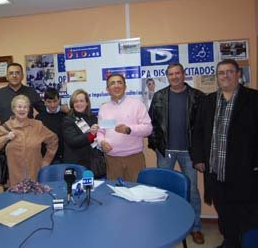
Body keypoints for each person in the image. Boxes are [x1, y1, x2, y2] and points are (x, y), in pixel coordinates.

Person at [191, 59, 258, 248]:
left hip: (244, 170)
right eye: (221, 72)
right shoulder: (209, 100)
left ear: (238, 74)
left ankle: (242, 243)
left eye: (229, 71)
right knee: (224, 210)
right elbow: (198, 132)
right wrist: (198, 159)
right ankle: (229, 242)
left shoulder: (252, 99)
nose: (225, 76)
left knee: (245, 212)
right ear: (217, 77)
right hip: (215, 170)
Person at [148, 62, 205, 244]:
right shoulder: (159, 96)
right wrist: (157, 144)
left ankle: (195, 227)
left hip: (189, 151)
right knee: (164, 190)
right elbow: (152, 123)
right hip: (166, 150)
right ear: (167, 76)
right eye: (171, 74)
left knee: (192, 190)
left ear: (184, 74)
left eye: (177, 73)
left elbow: (203, 126)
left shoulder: (197, 96)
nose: (174, 77)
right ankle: (167, 225)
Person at [0, 95, 58, 186]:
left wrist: (46, 161)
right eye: (19, 106)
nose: (22, 110)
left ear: (28, 109)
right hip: (13, 180)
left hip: (35, 177)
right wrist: (6, 138)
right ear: (13, 109)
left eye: (25, 107)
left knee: (35, 200)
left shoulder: (37, 126)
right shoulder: (5, 127)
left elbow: (53, 140)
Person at [97, 73, 152, 182]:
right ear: (108, 89)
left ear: (125, 87)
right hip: (112, 160)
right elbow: (101, 132)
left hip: (134, 159)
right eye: (112, 83)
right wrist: (102, 142)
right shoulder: (104, 108)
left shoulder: (137, 105)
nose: (116, 86)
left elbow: (148, 129)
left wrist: (129, 130)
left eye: (119, 82)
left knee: (136, 193)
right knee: (114, 194)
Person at [62, 89, 99, 170]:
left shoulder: (93, 118)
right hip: (76, 164)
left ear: (87, 103)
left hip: (93, 162)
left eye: (81, 101)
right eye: (76, 101)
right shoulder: (68, 120)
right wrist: (91, 135)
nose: (79, 104)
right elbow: (73, 141)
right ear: (72, 104)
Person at [35, 87, 65, 164]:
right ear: (44, 102)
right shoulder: (39, 118)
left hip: (63, 158)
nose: (52, 105)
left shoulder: (66, 116)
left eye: (55, 101)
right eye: (49, 102)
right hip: (45, 159)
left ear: (59, 100)